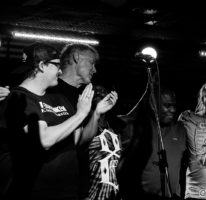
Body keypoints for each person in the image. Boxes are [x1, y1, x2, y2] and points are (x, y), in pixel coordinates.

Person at [47, 43, 118, 200]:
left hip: (75, 185)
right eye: (92, 63)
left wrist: (96, 114)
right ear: (77, 57)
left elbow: (80, 142)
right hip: (49, 185)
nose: (95, 70)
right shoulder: (50, 90)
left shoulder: (83, 97)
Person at [117, 86, 187, 200]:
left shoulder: (180, 129)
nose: (173, 110)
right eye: (167, 105)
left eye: (174, 105)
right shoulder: (139, 127)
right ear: (153, 105)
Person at [87, 84, 122, 200]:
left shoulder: (113, 128)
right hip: (93, 194)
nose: (99, 94)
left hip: (114, 194)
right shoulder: (85, 126)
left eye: (103, 92)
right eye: (96, 92)